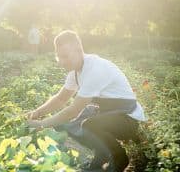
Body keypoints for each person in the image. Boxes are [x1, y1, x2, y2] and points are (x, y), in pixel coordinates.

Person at [27, 30, 146, 172]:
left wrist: (42, 124)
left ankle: (119, 157)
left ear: (78, 50)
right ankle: (101, 156)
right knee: (69, 125)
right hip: (111, 114)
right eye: (59, 56)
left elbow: (73, 110)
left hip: (128, 119)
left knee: (88, 124)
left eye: (65, 56)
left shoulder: (95, 69)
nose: (62, 61)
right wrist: (38, 112)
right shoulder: (76, 71)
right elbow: (61, 98)